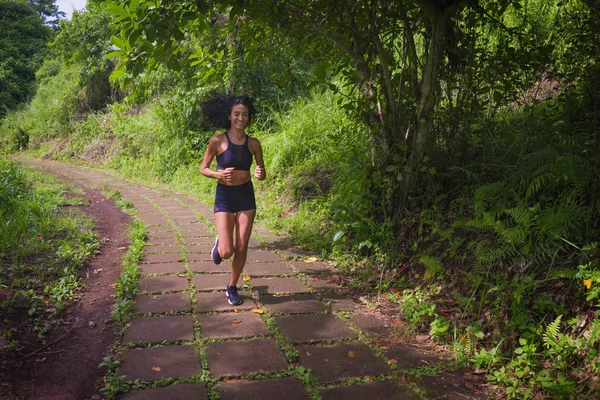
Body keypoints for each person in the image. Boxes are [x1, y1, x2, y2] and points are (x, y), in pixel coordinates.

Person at [199, 93, 266, 306]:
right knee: (227, 251)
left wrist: (260, 173)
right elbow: (203, 168)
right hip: (225, 197)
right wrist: (218, 175)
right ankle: (220, 244)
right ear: (229, 116)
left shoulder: (254, 143)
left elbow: (262, 172)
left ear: (248, 117)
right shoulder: (218, 141)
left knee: (242, 245)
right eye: (237, 114)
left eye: (244, 114)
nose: (241, 118)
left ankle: (232, 286)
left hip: (246, 196)